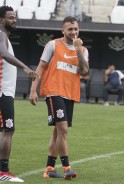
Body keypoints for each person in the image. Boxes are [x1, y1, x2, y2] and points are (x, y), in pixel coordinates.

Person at [29, 16, 89, 180]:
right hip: (54, 91)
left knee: (57, 132)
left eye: (76, 29)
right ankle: (67, 167)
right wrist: (33, 90)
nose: (73, 32)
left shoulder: (83, 50)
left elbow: (84, 72)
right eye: (70, 29)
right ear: (63, 31)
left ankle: (49, 168)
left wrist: (77, 49)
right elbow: (40, 67)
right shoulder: (53, 45)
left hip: (70, 94)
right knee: (62, 129)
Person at [0, 6, 38, 182]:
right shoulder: (1, 35)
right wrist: (24, 68)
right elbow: (3, 53)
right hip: (3, 93)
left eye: (15, 17)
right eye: (10, 18)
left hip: (4, 92)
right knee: (9, 130)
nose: (14, 20)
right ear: (1, 20)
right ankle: (3, 172)